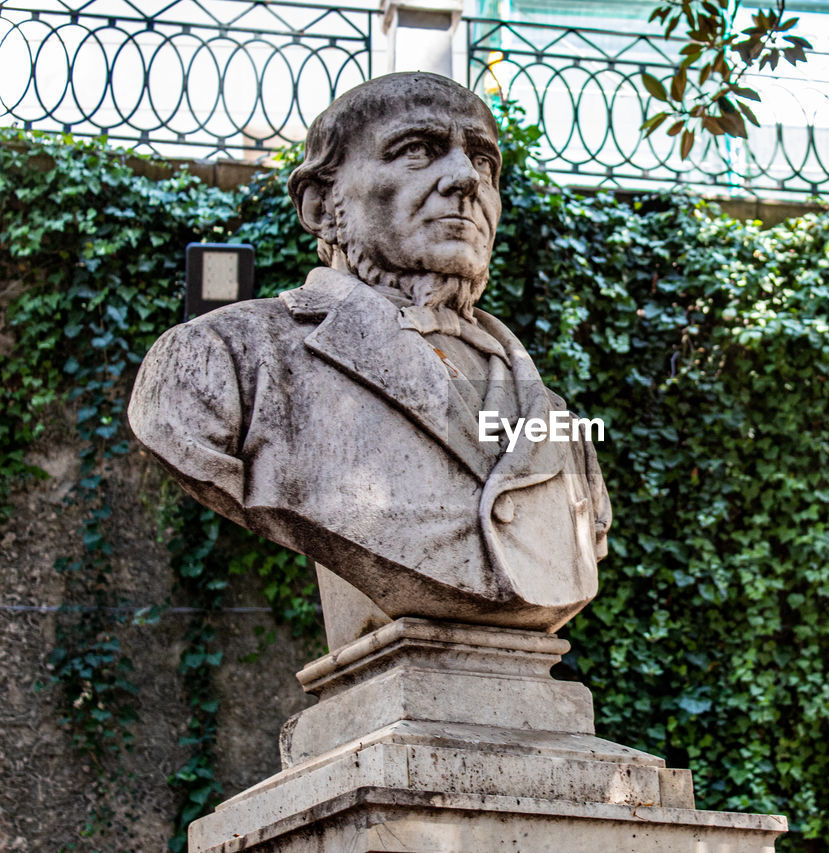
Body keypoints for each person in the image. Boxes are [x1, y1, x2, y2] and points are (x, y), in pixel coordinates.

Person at [128, 73, 610, 634]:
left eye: (483, 162)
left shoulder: (557, 422)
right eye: (416, 151)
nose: (464, 179)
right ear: (321, 204)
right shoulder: (226, 359)